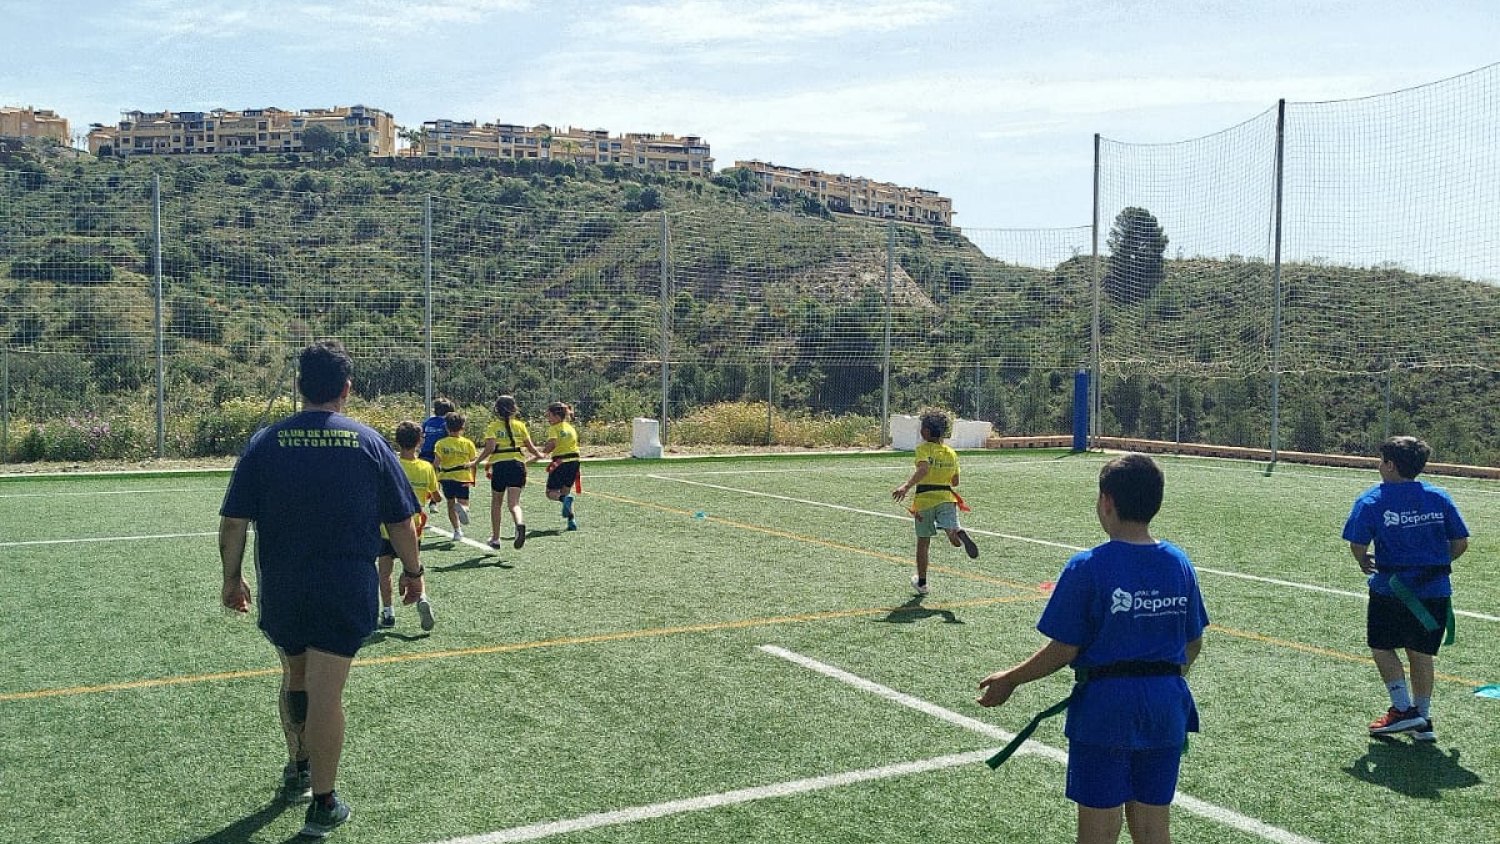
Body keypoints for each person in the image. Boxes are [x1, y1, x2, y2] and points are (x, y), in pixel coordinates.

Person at [219, 340, 424, 839]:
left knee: (296, 675)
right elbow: (401, 522)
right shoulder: (369, 442)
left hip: (285, 586)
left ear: (299, 387)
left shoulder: (266, 442)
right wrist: (414, 572)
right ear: (347, 389)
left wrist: (231, 576)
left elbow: (233, 520)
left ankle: (298, 768)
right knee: (328, 692)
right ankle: (324, 804)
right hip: (344, 587)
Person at [977, 453, 1207, 844]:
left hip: (1107, 709)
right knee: (1154, 827)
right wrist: (1157, 680)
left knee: (1098, 831)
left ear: (1106, 502)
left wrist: (1010, 679)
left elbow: (1064, 647)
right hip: (1166, 705)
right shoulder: (1178, 563)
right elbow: (1194, 641)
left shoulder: (1087, 566)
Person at [1342, 435, 1469, 742]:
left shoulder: (1372, 500)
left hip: (1392, 590)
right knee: (1422, 653)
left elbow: (1358, 544)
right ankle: (1423, 718)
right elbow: (1460, 543)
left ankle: (1402, 710)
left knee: (1382, 646)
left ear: (1390, 465)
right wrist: (1433, 564)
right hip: (1436, 590)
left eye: (1381, 460)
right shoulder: (1439, 497)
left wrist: (1363, 562)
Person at [891, 410, 978, 594]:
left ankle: (922, 583)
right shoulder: (951, 453)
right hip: (946, 497)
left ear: (928, 432)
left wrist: (905, 487)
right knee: (954, 539)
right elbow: (955, 482)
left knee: (923, 541)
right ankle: (958, 532)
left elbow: (923, 470)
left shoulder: (923, 449)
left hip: (924, 500)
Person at [377, 420, 440, 630]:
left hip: (387, 528)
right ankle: (422, 598)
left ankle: (388, 613)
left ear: (397, 441)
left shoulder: (390, 465)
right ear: (420, 441)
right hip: (414, 529)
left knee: (385, 571)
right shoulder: (426, 467)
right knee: (414, 567)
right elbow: (436, 496)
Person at [474, 394, 544, 550]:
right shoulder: (520, 425)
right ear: (514, 409)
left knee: (496, 502)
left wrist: (476, 462)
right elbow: (530, 447)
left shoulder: (493, 426)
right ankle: (519, 523)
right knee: (514, 504)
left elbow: (490, 448)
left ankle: (496, 538)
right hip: (517, 465)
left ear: (497, 410)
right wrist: (540, 454)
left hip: (500, 466)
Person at [431, 412, 478, 542]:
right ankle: (464, 508)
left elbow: (436, 463)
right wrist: (473, 479)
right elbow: (474, 463)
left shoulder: (440, 443)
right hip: (462, 476)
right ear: (463, 427)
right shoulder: (468, 443)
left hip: (446, 477)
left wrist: (434, 477)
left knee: (450, 504)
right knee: (464, 503)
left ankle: (457, 531)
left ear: (446, 427)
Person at [539, 401, 581, 531]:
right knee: (566, 492)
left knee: (551, 493)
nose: (548, 419)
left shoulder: (554, 428)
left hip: (560, 462)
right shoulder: (570, 427)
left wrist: (541, 453)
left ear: (557, 416)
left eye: (549, 416)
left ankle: (564, 500)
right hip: (574, 462)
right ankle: (571, 520)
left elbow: (552, 444)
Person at [418, 398, 456, 513]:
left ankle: (422, 504)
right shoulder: (446, 424)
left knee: (425, 479)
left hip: (424, 453)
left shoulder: (428, 421)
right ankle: (433, 503)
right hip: (437, 455)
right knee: (435, 478)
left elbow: (421, 434)